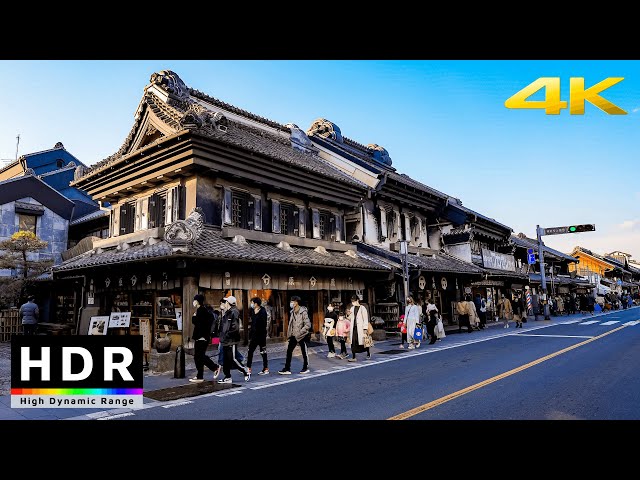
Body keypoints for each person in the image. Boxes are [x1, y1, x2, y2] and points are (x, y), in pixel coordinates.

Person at [217, 295, 251, 384]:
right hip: (225, 340)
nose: (223, 304)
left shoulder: (234, 312)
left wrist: (226, 335)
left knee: (233, 359)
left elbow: (235, 328)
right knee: (226, 360)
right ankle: (227, 376)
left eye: (225, 302)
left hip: (231, 340)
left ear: (228, 303)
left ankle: (245, 371)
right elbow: (223, 327)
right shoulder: (226, 312)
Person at [189, 294, 220, 383]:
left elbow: (199, 324)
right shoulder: (203, 310)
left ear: (198, 301)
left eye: (195, 300)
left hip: (201, 337)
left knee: (199, 356)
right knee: (198, 356)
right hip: (202, 337)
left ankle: (214, 368)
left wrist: (194, 317)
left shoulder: (201, 311)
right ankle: (200, 375)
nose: (193, 302)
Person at [279, 295, 312, 375]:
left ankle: (305, 367)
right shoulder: (292, 312)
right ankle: (287, 368)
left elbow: (308, 325)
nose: (291, 303)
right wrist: (289, 334)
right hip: (293, 335)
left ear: (296, 302)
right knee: (289, 351)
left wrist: (301, 332)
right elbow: (291, 324)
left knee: (304, 351)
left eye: (292, 301)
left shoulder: (303, 312)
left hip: (301, 335)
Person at [247, 297, 269, 375]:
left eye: (252, 303)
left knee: (263, 352)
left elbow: (263, 324)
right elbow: (252, 323)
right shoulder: (253, 311)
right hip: (254, 335)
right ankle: (248, 368)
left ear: (256, 304)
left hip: (261, 335)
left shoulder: (263, 311)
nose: (252, 304)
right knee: (250, 351)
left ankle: (265, 368)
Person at [347, 295, 371, 361]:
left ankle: (368, 353)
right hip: (354, 328)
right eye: (352, 301)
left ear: (357, 300)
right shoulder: (352, 308)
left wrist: (365, 328)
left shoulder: (362, 308)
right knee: (353, 342)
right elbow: (350, 318)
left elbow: (365, 318)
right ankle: (354, 357)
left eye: (354, 301)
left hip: (360, 328)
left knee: (364, 342)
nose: (353, 302)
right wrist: (348, 314)